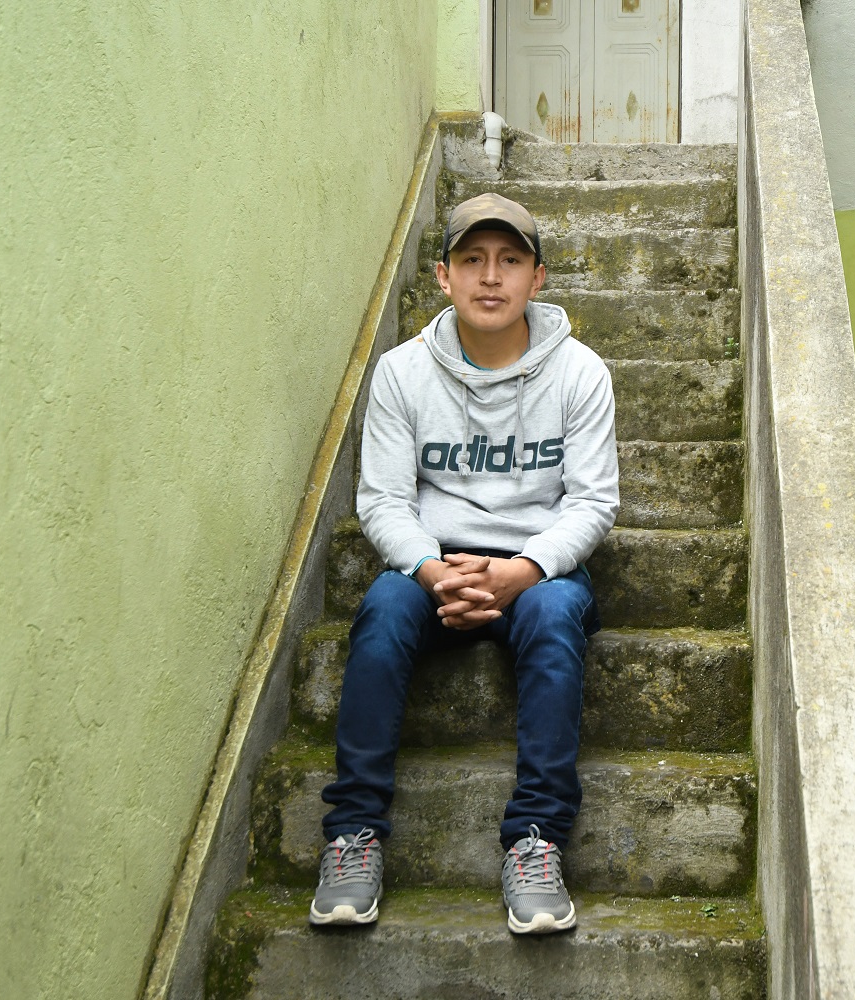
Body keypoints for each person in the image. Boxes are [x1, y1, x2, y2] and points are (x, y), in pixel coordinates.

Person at [308, 193, 619, 934]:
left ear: (537, 278)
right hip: (434, 569)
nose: (490, 277)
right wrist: (429, 570)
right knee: (382, 612)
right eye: (472, 260)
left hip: (537, 573)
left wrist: (526, 569)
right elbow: (383, 501)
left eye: (509, 260)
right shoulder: (401, 373)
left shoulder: (580, 373)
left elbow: (593, 503)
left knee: (553, 616)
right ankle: (354, 836)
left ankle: (536, 841)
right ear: (443, 277)